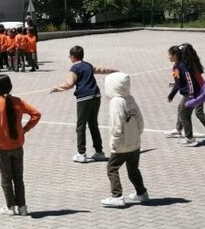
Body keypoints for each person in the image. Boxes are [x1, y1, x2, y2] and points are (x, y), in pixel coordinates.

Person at [0, 74, 41, 216]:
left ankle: (11, 207)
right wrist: (25, 129)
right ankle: (22, 207)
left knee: (6, 177)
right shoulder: (18, 101)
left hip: (2, 146)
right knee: (18, 178)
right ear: (10, 86)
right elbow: (36, 114)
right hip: (17, 145)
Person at [49, 45, 118, 163]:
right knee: (93, 124)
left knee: (81, 126)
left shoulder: (74, 69)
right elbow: (101, 70)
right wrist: (114, 71)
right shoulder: (88, 65)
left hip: (84, 98)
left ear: (73, 57)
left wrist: (56, 88)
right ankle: (99, 151)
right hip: (96, 96)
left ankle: (81, 153)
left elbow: (69, 84)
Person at [100, 72, 149, 207]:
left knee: (112, 168)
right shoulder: (130, 99)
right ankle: (141, 193)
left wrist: (114, 143)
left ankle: (117, 196)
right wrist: (137, 135)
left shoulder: (116, 102)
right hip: (134, 143)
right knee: (133, 169)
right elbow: (140, 120)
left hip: (122, 144)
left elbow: (117, 125)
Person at [165, 44, 205, 145]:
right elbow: (178, 81)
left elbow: (189, 81)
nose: (168, 56)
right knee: (181, 109)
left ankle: (190, 138)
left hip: (194, 93)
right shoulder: (176, 66)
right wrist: (171, 95)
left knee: (188, 113)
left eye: (170, 54)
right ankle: (179, 130)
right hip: (190, 93)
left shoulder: (183, 66)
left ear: (176, 55)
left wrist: (191, 95)